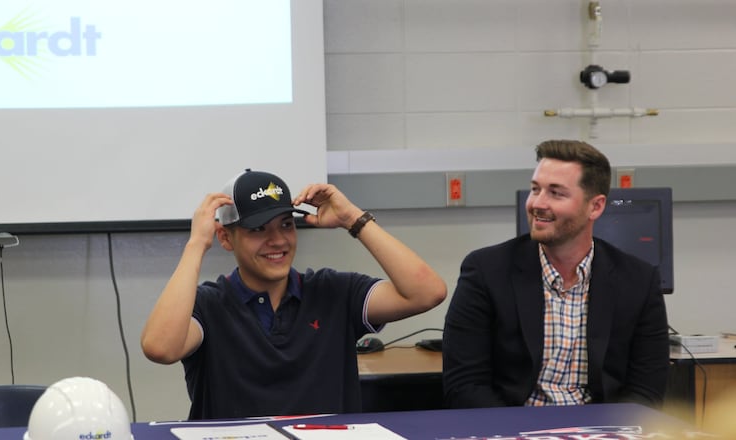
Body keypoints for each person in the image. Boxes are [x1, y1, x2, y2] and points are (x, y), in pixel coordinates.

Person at [141, 169, 447, 420]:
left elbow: (427, 292)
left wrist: (353, 218)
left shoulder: (334, 291)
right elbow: (160, 348)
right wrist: (197, 245)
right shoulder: (209, 304)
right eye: (258, 230)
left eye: (286, 225)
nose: (278, 241)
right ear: (225, 237)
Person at [443, 140, 669, 409]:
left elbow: (646, 391)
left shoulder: (638, 280)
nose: (538, 203)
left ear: (595, 207)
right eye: (535, 189)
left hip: (599, 430)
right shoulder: (486, 271)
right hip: (514, 429)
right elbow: (465, 386)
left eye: (556, 193)